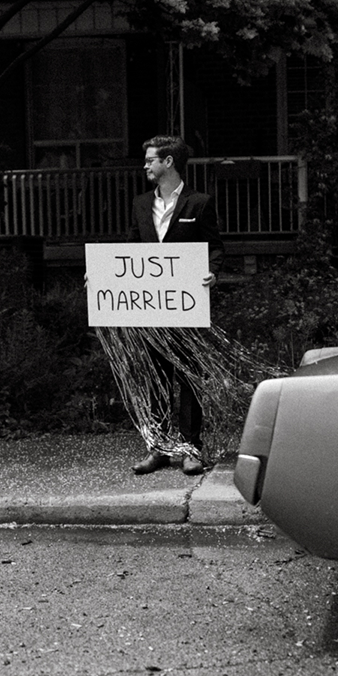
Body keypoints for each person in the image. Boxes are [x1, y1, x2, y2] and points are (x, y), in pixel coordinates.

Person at [127, 135, 224, 476]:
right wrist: (101, 276)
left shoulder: (199, 203)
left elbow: (214, 246)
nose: (146, 165)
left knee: (188, 378)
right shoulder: (141, 204)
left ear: (168, 163)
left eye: (151, 159)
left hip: (186, 308)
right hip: (152, 308)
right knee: (154, 377)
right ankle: (158, 448)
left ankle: (191, 449)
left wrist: (212, 271)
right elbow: (130, 250)